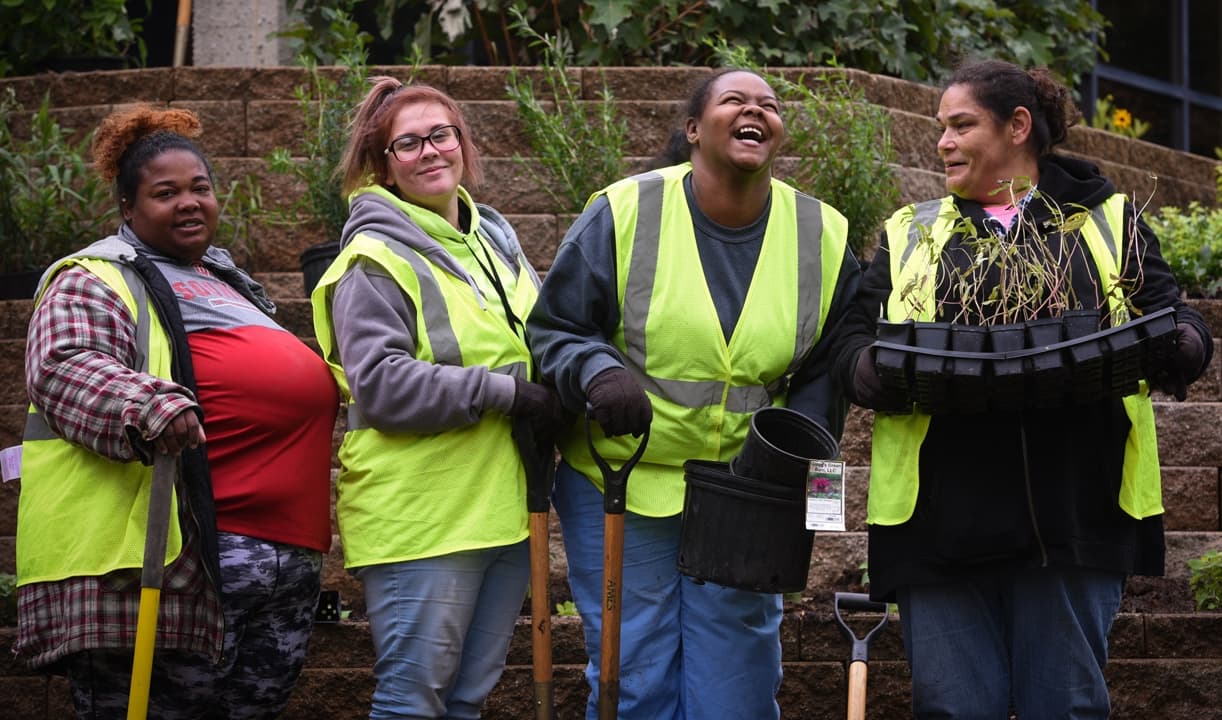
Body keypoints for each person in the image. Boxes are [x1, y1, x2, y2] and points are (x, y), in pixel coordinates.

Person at [830, 58, 1214, 719]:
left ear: (1017, 127)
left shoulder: (1108, 220)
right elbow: (849, 344)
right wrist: (872, 371)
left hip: (1072, 513)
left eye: (961, 125)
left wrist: (1185, 344)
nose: (943, 141)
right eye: (939, 127)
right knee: (952, 710)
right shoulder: (912, 233)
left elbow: (1169, 311)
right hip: (940, 520)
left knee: (1064, 708)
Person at [527, 68, 860, 720]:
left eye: (768, 104)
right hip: (621, 481)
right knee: (636, 680)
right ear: (692, 129)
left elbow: (832, 365)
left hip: (744, 497)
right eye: (735, 100)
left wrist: (813, 484)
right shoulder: (627, 211)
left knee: (736, 691)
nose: (754, 110)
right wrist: (598, 371)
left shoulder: (822, 233)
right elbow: (555, 327)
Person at [15, 105, 339, 718]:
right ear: (129, 208)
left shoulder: (227, 279)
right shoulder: (97, 276)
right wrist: (148, 403)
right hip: (181, 558)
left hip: (283, 555)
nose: (189, 203)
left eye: (200, 188)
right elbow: (62, 365)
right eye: (165, 193)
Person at [310, 77, 565, 720]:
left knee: (466, 702)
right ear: (383, 165)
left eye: (441, 135)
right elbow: (383, 384)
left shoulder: (493, 242)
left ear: (464, 144)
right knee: (411, 702)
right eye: (408, 143)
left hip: (502, 508)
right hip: (422, 516)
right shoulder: (373, 259)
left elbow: (540, 338)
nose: (430, 152)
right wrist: (507, 393)